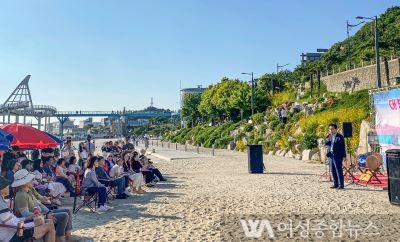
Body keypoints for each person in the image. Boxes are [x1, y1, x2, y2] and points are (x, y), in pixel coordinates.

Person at [12, 169, 75, 242]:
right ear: (24, 183)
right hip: (36, 218)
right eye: (30, 179)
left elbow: (38, 201)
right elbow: (26, 215)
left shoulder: (29, 190)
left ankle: (68, 236)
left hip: (42, 213)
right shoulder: (21, 195)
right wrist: (45, 216)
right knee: (64, 215)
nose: (32, 181)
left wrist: (47, 211)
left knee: (67, 211)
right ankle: (59, 238)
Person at [0, 176, 56, 242]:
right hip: (12, 235)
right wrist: (32, 223)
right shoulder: (1, 204)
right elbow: (11, 224)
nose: (8, 187)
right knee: (49, 225)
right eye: (6, 186)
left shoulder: (2, 200)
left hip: (14, 230)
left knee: (48, 222)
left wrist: (28, 218)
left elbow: (12, 220)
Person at [325, 123, 346, 189]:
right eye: (329, 129)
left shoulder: (340, 137)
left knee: (338, 170)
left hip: (337, 155)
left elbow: (343, 147)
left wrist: (344, 156)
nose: (330, 130)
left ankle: (341, 185)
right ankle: (335, 184)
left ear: (336, 129)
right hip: (331, 155)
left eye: (332, 129)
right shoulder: (329, 136)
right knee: (333, 170)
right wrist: (327, 138)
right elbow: (326, 144)